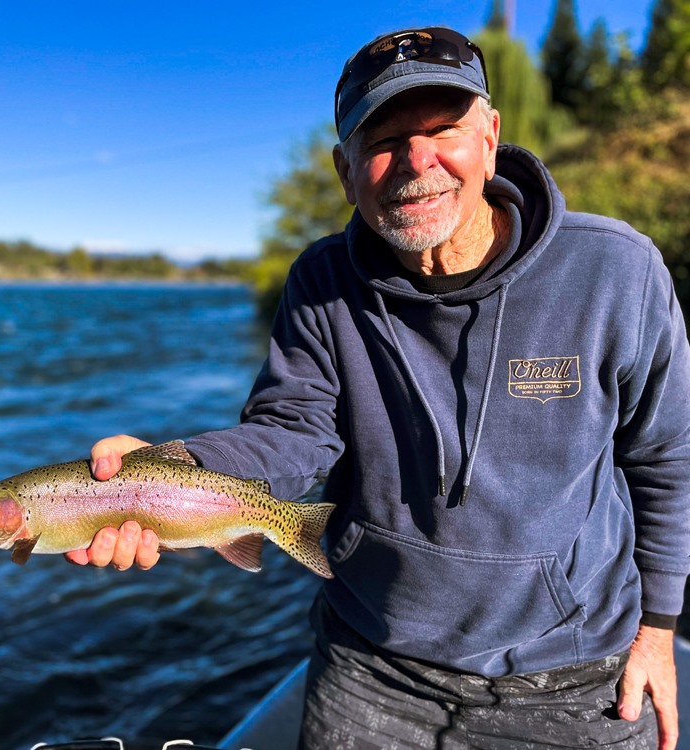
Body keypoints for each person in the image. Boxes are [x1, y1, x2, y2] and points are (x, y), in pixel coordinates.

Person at [66, 26, 690, 750]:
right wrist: (172, 475)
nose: (417, 161)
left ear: (489, 136)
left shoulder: (617, 271)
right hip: (369, 662)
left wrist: (658, 631)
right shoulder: (322, 281)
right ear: (345, 168)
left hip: (575, 671)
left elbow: (668, 459)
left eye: (442, 129)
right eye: (384, 140)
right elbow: (293, 431)